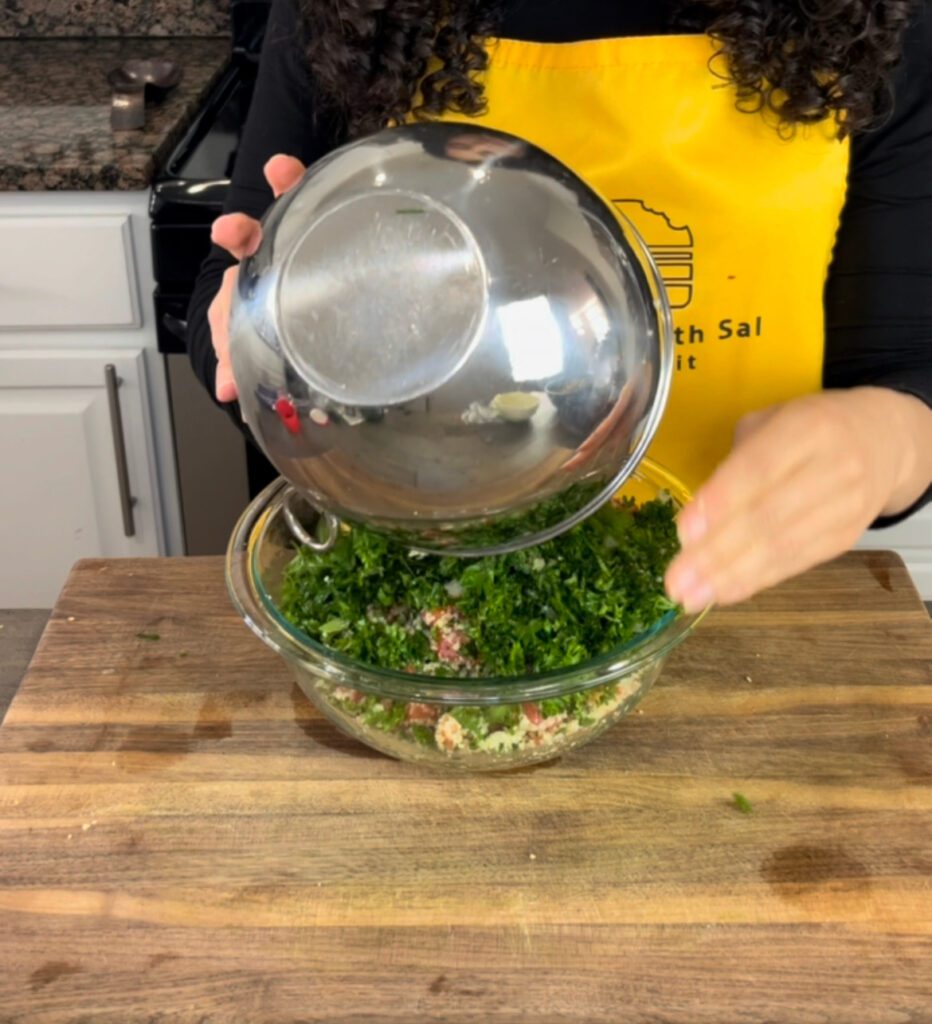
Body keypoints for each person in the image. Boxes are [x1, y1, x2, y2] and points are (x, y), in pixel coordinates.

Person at [188, 0, 932, 612]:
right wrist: (272, 327)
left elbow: (910, 368)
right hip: (423, 583)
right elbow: (222, 298)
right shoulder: (344, 11)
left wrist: (883, 443)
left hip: (748, 590)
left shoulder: (876, 16)